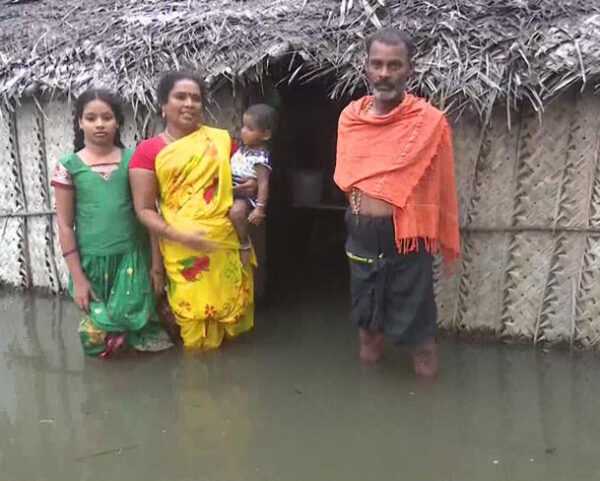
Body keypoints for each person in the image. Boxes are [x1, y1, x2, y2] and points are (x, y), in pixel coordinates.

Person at [334, 28, 460, 377]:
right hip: (361, 235)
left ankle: (426, 414)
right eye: (377, 64)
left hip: (407, 238)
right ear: (366, 66)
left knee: (421, 337)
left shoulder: (429, 122)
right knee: (367, 329)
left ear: (410, 69)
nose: (384, 73)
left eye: (394, 65)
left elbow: (438, 185)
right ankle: (371, 409)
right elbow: (348, 175)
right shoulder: (350, 118)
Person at [129, 70, 257, 350]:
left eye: (196, 99)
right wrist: (175, 239)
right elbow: (144, 209)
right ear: (163, 105)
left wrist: (247, 190)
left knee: (233, 321)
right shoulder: (147, 151)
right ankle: (196, 388)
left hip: (225, 247)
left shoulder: (222, 141)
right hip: (181, 250)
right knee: (192, 330)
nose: (189, 103)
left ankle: (236, 389)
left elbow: (240, 184)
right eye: (180, 97)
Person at [52, 89, 173, 358]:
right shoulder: (69, 166)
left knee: (147, 337)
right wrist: (78, 278)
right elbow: (64, 225)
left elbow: (149, 213)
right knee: (97, 340)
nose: (99, 124)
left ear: (118, 122)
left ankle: (147, 396)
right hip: (93, 265)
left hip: (135, 261)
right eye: (91, 118)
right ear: (80, 122)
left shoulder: (135, 160)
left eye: (107, 117)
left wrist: (156, 267)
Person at [228, 103, 277, 263]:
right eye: (243, 127)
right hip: (233, 188)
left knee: (236, 213)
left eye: (250, 129)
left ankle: (244, 243)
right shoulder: (243, 149)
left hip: (245, 197)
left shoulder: (260, 158)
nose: (243, 131)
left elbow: (263, 183)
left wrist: (259, 209)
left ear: (265, 135)